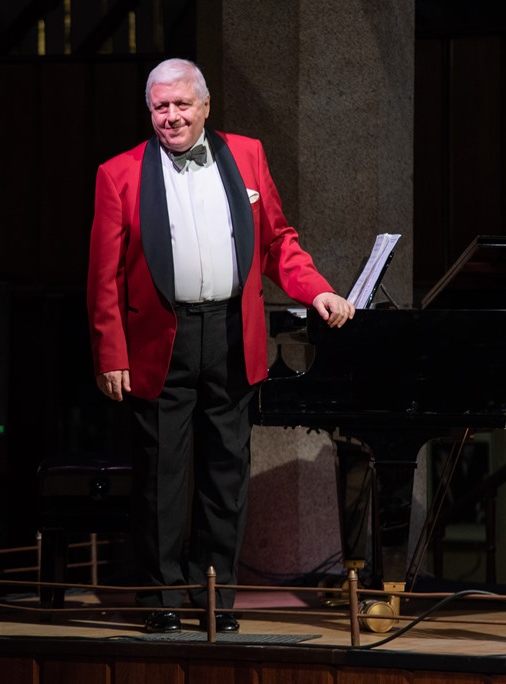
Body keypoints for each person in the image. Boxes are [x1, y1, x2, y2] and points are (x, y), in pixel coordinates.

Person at [86, 57, 354, 634]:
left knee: (226, 475)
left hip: (231, 332)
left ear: (205, 106)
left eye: (182, 104)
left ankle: (216, 598)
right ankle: (161, 598)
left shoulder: (247, 154)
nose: (172, 116)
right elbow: (104, 275)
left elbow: (278, 243)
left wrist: (319, 289)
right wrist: (111, 353)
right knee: (162, 476)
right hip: (161, 339)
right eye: (161, 106)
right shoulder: (119, 173)